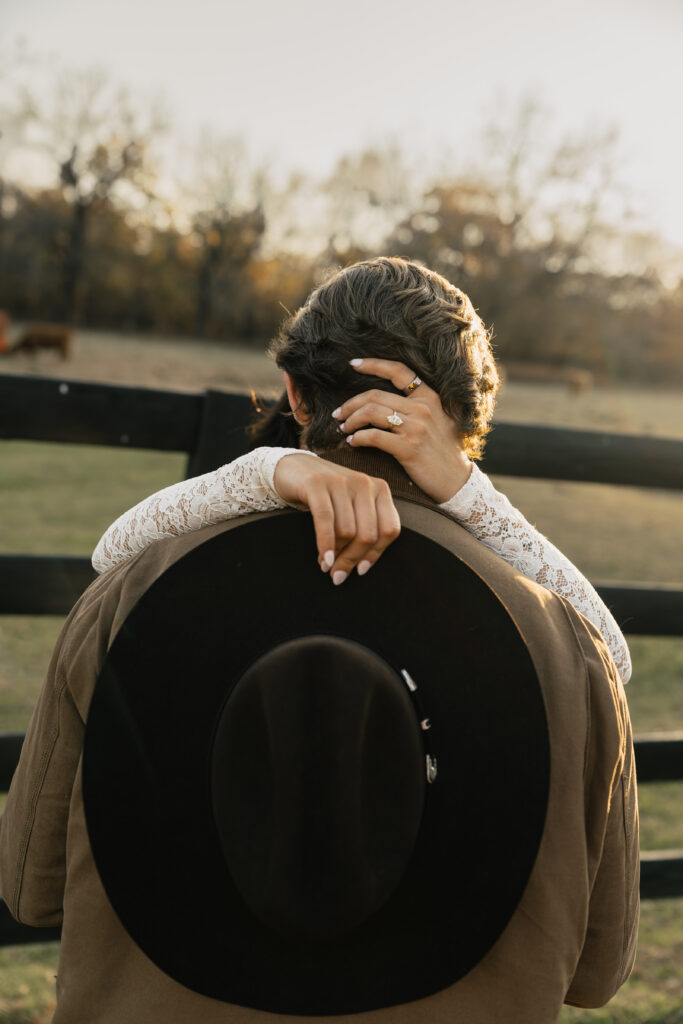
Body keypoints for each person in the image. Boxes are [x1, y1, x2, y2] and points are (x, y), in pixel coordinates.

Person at [92, 257, 631, 684]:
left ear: (296, 396)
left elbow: (109, 554)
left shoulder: (214, 528)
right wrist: (467, 490)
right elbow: (610, 658)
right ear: (466, 414)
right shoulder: (490, 564)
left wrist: (265, 471)